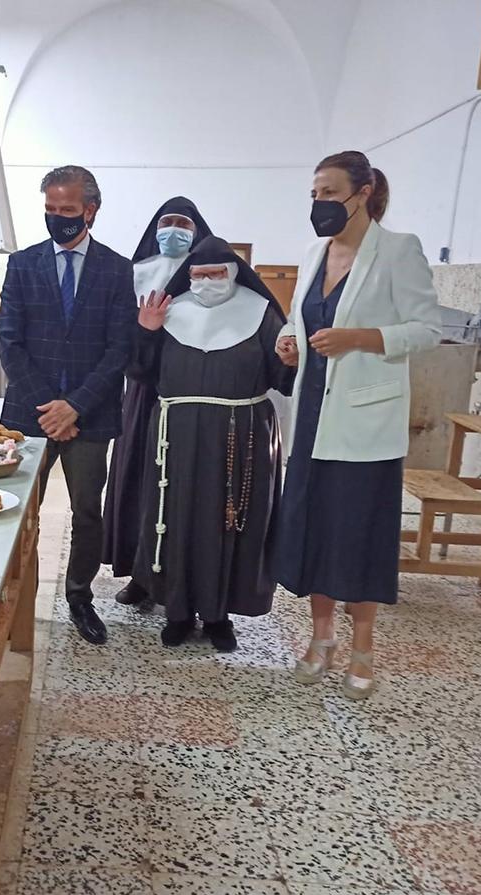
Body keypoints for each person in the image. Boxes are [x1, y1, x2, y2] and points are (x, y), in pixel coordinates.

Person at [274, 151, 440, 698]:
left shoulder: (398, 250)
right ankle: (321, 639)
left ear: (363, 192)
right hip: (313, 419)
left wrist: (363, 338)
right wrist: (290, 343)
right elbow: (302, 321)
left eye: (330, 192)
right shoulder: (312, 253)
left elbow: (425, 329)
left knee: (357, 538)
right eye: (314, 194)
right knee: (318, 534)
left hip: (365, 425)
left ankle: (363, 646)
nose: (320, 203)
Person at [130, 237, 294, 650]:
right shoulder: (170, 312)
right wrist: (146, 332)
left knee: (229, 520)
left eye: (215, 273)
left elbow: (285, 379)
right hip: (176, 435)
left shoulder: (261, 314)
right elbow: (140, 372)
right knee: (176, 518)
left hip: (241, 435)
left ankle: (220, 615)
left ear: (234, 274)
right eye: (197, 275)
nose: (205, 282)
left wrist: (294, 359)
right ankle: (178, 611)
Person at [0, 166, 137, 645]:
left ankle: (80, 596)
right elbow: (10, 345)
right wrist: (49, 409)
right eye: (50, 210)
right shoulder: (22, 265)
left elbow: (119, 349)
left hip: (90, 416)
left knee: (87, 514)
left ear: (90, 211)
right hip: (29, 415)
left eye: (68, 211)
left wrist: (74, 407)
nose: (58, 218)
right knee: (17, 511)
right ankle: (15, 596)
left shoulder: (117, 270)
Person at [102, 197, 213, 609]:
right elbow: (119, 334)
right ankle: (139, 574)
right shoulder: (136, 272)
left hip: (192, 391)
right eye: (166, 222)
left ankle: (188, 577)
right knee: (140, 481)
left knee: (188, 484)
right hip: (144, 392)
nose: (173, 230)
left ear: (197, 230)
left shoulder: (209, 275)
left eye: (183, 222)